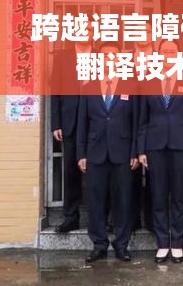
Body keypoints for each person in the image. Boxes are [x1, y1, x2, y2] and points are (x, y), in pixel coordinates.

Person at [137, 40, 183, 263]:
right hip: (155, 146)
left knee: (180, 196)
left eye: (172, 52)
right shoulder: (149, 80)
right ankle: (162, 243)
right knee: (158, 195)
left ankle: (177, 243)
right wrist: (141, 150)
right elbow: (142, 120)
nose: (168, 55)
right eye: (164, 52)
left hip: (181, 146)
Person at [76, 41, 139, 263]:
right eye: (105, 56)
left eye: (114, 56)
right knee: (96, 201)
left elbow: (136, 123)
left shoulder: (130, 86)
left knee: (123, 200)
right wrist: (81, 154)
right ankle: (99, 244)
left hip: (123, 153)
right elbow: (82, 124)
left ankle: (121, 244)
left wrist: (135, 152)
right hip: (95, 153)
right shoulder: (88, 87)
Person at [50, 30, 93, 233]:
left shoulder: (100, 56)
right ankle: (71, 217)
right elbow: (55, 91)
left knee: (98, 172)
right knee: (70, 171)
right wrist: (56, 123)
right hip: (71, 121)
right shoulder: (62, 58)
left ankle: (100, 218)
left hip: (96, 121)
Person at [130, 26, 155, 232]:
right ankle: (133, 218)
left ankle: (151, 220)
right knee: (131, 174)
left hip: (152, 120)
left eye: (147, 32)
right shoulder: (125, 60)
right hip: (128, 119)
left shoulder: (161, 59)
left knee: (153, 175)